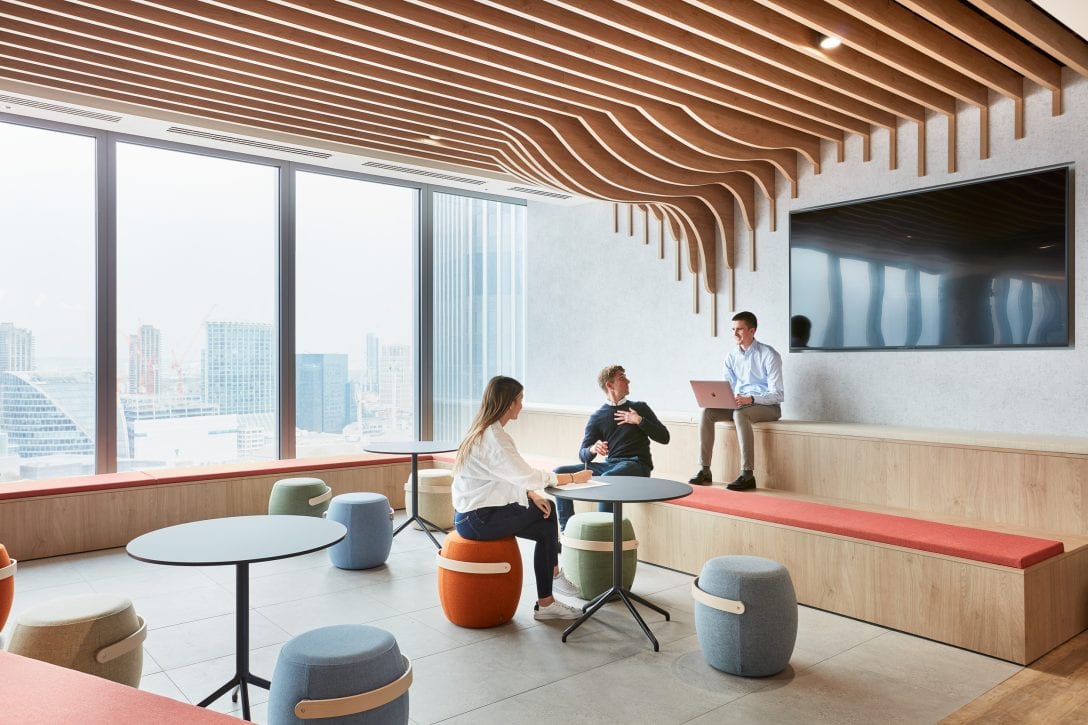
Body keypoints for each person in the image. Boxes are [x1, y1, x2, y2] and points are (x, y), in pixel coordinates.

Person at [452, 375, 593, 620]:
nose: (522, 405)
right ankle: (551, 587)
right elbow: (526, 475)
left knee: (544, 516)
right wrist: (572, 478)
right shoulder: (495, 439)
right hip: (478, 520)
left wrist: (530, 494)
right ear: (509, 404)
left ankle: (550, 590)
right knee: (547, 514)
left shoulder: (484, 431)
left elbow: (505, 475)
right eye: (520, 400)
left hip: (470, 515)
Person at [553, 365, 670, 532]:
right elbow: (583, 455)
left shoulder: (640, 408)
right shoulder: (598, 417)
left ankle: (604, 534)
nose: (628, 380)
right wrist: (593, 449)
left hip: (637, 465)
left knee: (608, 478)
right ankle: (567, 532)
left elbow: (665, 437)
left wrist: (640, 421)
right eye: (622, 377)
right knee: (559, 472)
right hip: (611, 465)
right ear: (609, 385)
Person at [690, 311, 783, 491]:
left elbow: (778, 394)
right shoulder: (731, 357)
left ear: (752, 330)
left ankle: (747, 474)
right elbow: (728, 387)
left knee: (740, 414)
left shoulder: (769, 354)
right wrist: (723, 398)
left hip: (767, 406)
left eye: (739, 329)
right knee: (707, 413)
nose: (734, 334)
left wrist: (752, 398)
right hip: (739, 405)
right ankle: (705, 470)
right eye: (733, 329)